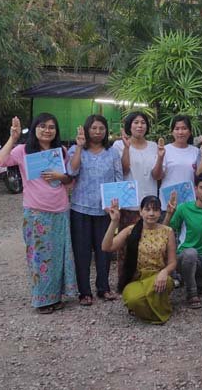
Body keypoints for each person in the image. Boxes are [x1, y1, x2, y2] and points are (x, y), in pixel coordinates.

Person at [0, 114, 77, 314]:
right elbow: (0, 161)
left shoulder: (61, 151)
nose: (47, 130)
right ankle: (42, 300)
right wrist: (13, 138)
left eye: (51, 127)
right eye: (42, 126)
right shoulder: (22, 150)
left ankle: (56, 296)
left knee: (58, 256)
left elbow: (70, 180)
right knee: (39, 257)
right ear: (34, 129)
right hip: (36, 212)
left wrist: (60, 176)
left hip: (60, 211)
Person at [67, 115, 122, 306]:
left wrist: (116, 204)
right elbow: (72, 172)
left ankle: (103, 287)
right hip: (80, 208)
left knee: (104, 250)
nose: (97, 132)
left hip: (105, 210)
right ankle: (84, 291)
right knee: (81, 251)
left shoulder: (112, 153)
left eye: (101, 128)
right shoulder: (76, 150)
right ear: (87, 129)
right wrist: (79, 147)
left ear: (106, 131)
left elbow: (118, 178)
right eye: (93, 128)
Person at [102, 196, 177, 324]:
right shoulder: (131, 230)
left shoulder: (167, 231)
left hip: (159, 278)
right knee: (132, 299)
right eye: (147, 209)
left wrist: (164, 272)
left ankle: (146, 307)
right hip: (137, 279)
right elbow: (106, 247)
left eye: (155, 210)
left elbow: (173, 262)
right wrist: (114, 222)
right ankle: (158, 306)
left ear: (160, 212)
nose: (151, 213)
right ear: (140, 212)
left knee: (166, 284)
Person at [111, 112, 165, 269]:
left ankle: (147, 279)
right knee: (126, 247)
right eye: (136, 122)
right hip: (128, 204)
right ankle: (125, 280)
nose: (140, 126)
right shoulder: (119, 145)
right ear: (129, 125)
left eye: (143, 122)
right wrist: (127, 148)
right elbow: (123, 170)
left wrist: (160, 157)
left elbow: (157, 175)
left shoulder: (154, 146)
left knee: (148, 246)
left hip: (149, 204)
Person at [163, 173, 202, 309]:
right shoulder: (183, 208)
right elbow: (165, 231)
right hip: (184, 257)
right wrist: (169, 213)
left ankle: (196, 278)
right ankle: (191, 293)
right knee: (191, 253)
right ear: (196, 189)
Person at [159, 115, 200, 211]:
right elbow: (158, 176)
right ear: (172, 132)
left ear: (190, 132)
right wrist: (160, 157)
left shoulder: (196, 151)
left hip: (189, 200)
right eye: (177, 129)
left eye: (184, 128)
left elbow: (199, 176)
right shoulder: (164, 150)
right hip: (168, 199)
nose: (180, 132)